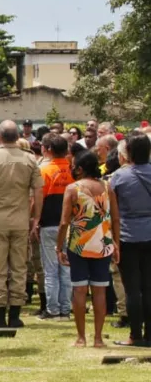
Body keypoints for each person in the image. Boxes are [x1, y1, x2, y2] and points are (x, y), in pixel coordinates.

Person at [0, 120, 44, 328]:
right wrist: (36, 218)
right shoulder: (30, 160)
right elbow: (38, 191)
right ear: (18, 137)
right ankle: (15, 314)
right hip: (20, 220)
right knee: (19, 267)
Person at [57, 150, 119, 348]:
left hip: (78, 244)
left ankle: (81, 337)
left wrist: (59, 247)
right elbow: (115, 218)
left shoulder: (72, 189)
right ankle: (98, 338)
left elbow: (64, 222)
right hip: (102, 243)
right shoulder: (107, 187)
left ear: (81, 168)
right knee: (100, 291)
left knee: (80, 290)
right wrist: (116, 242)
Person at [107, 133, 151, 346]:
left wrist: (114, 241)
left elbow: (113, 215)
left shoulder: (118, 178)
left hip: (128, 235)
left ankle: (135, 334)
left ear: (127, 153)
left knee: (132, 288)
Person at [39, 133, 74, 320]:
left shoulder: (44, 170)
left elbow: (39, 199)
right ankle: (65, 309)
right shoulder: (73, 170)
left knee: (51, 269)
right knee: (66, 268)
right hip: (70, 225)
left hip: (49, 224)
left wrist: (35, 220)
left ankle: (52, 309)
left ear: (49, 149)